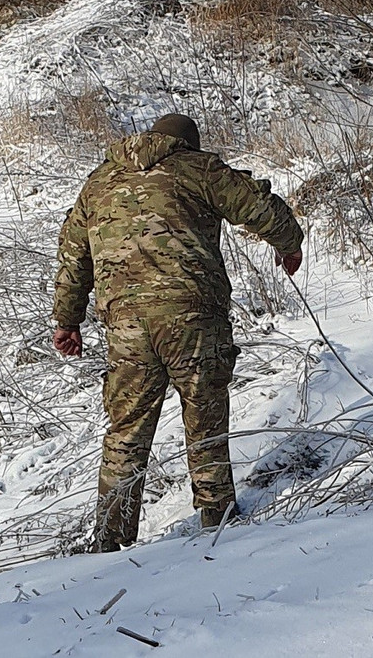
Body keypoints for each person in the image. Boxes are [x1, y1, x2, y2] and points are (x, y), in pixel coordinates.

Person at [52, 114, 303, 552]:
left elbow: (74, 258)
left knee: (126, 428)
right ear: (186, 144)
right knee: (204, 410)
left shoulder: (98, 183)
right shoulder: (197, 168)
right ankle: (216, 517)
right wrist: (288, 242)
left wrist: (66, 320)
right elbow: (258, 206)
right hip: (190, 316)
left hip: (126, 326)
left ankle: (111, 539)